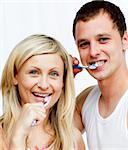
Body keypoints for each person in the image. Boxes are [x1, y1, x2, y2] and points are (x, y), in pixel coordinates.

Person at [0, 34, 85, 150]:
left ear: (63, 82)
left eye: (54, 74)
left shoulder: (73, 139)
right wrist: (18, 136)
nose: (44, 85)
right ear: (15, 75)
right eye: (34, 72)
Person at [72, 0, 128, 149]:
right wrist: (59, 76)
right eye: (84, 44)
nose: (93, 52)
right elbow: (49, 131)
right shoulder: (86, 100)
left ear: (124, 41)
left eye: (103, 39)